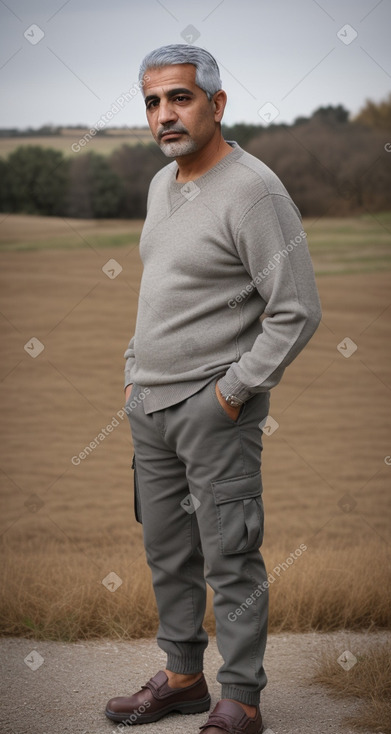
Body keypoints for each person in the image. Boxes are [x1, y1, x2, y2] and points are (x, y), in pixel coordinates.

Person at [105, 44, 321, 734]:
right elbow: (162, 292)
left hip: (212, 410)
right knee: (167, 552)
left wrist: (231, 392)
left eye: (179, 97)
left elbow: (295, 309)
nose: (163, 114)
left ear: (216, 104)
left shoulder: (255, 191)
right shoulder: (161, 185)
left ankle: (241, 700)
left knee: (229, 554)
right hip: (148, 404)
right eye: (151, 101)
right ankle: (182, 677)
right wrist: (135, 374)